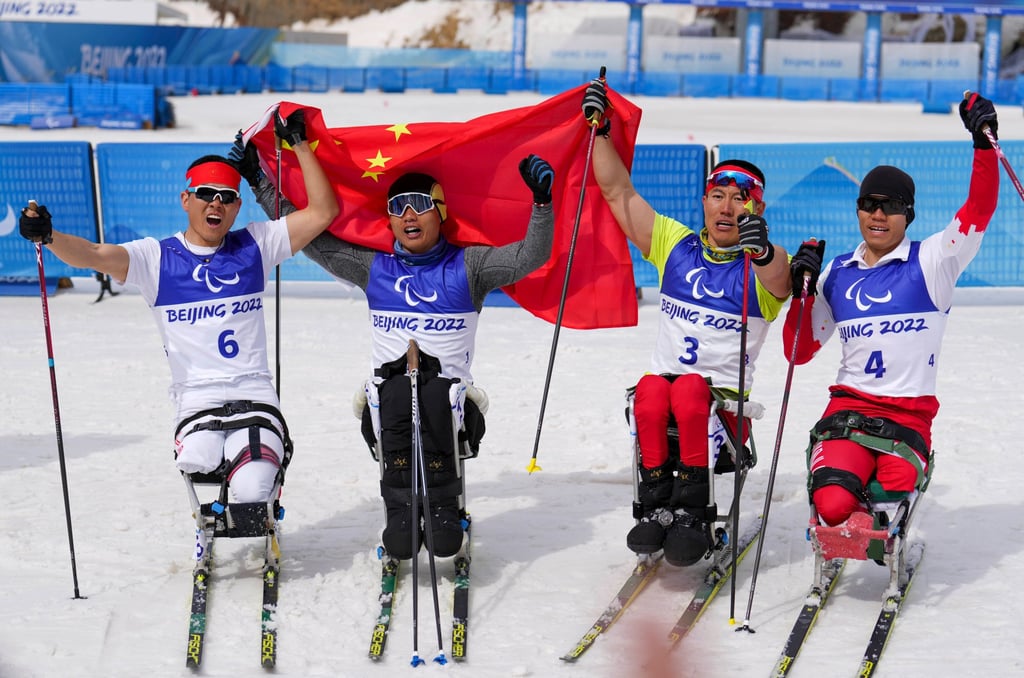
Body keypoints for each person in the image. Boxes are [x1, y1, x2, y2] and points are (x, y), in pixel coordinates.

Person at [232, 134, 555, 560]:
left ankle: (441, 503)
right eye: (397, 207)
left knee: (429, 388)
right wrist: (259, 179)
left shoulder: (469, 266)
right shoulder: (374, 268)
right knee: (399, 388)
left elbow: (527, 258)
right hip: (387, 411)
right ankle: (401, 506)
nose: (407, 215)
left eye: (419, 204)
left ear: (440, 212)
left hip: (454, 412)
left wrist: (542, 203)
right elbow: (308, 234)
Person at [18, 109, 339, 505]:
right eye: (206, 194)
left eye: (226, 198)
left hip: (253, 394)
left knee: (252, 488)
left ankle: (258, 505)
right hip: (197, 400)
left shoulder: (255, 244)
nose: (216, 204)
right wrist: (48, 236)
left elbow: (324, 213)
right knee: (199, 462)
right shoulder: (156, 258)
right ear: (186, 199)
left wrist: (300, 145)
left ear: (237, 208)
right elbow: (93, 254)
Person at [581, 79, 792, 566]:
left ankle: (695, 508)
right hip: (661, 401)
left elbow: (779, 274)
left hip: (722, 410)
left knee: (691, 389)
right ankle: (655, 506)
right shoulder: (674, 244)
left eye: (740, 200)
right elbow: (616, 192)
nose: (727, 207)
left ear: (756, 208)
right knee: (654, 388)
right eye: (718, 195)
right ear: (704, 201)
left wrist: (760, 250)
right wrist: (600, 131)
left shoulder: (760, 264)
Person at [784, 93, 999, 529]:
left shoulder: (934, 261)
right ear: (859, 209)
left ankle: (878, 511)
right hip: (848, 409)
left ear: (909, 215)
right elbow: (797, 351)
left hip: (907, 414)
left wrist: (983, 144)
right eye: (870, 204)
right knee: (831, 504)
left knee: (890, 499)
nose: (879, 214)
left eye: (892, 206)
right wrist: (800, 294)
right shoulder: (837, 272)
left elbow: (978, 209)